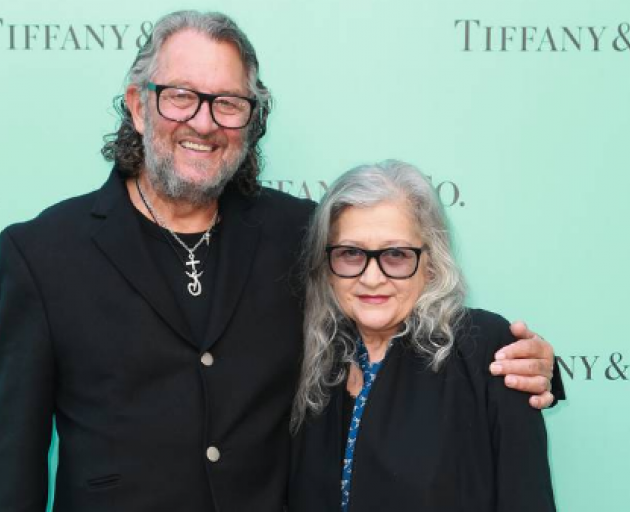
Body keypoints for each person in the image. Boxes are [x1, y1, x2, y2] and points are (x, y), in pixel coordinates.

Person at [0, 10, 560, 512]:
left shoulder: (301, 232)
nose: (203, 121)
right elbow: (13, 466)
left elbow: (396, 308)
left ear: (250, 119)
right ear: (138, 107)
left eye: (228, 103)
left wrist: (524, 370)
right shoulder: (41, 254)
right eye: (179, 95)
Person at [288, 160, 556, 511]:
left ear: (431, 263)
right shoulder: (318, 362)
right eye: (351, 253)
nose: (371, 278)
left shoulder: (486, 350)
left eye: (396, 255)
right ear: (327, 266)